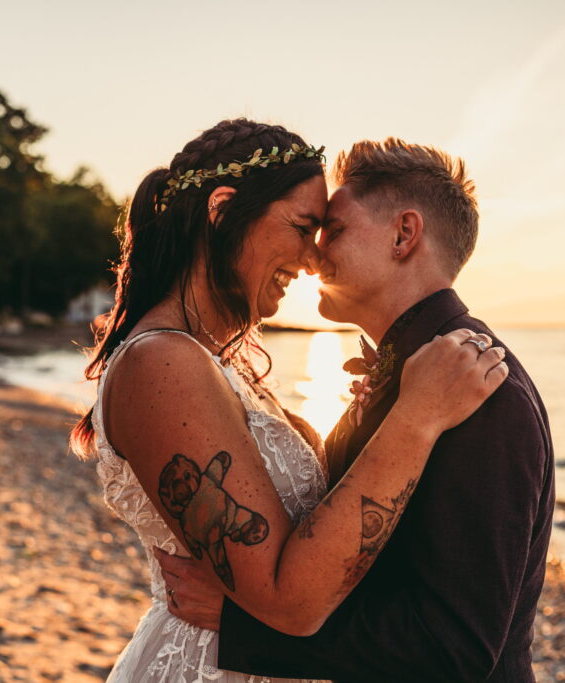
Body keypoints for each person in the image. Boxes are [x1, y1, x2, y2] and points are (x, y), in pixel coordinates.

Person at [70, 120, 509, 682]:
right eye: (303, 227)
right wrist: (417, 417)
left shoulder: (213, 362)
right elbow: (289, 598)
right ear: (223, 210)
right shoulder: (162, 363)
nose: (312, 259)